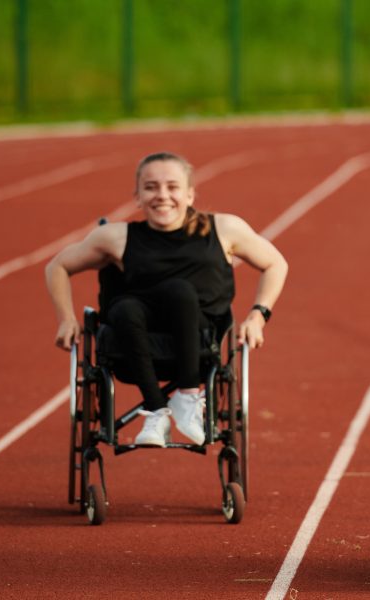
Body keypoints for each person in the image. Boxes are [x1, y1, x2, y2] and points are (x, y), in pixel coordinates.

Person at [46, 151, 288, 447]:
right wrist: (66, 319)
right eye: (151, 187)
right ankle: (156, 411)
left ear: (189, 194)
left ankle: (187, 397)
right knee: (122, 308)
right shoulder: (116, 237)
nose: (162, 196)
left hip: (200, 344)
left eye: (172, 187)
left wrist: (258, 315)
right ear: (137, 196)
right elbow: (57, 266)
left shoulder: (223, 229)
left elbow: (276, 263)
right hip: (134, 345)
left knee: (179, 291)